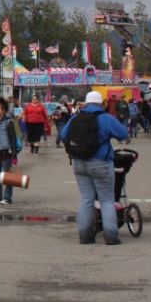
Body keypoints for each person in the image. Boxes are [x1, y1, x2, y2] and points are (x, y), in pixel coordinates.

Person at [60, 91, 130, 245]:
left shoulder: (76, 117)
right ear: (101, 104)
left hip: (78, 163)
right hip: (100, 163)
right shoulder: (105, 118)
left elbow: (63, 135)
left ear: (85, 103)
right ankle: (111, 236)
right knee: (107, 200)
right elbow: (123, 134)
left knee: (86, 199)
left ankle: (85, 236)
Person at [0, 97, 19, 205]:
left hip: (6, 153)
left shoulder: (8, 122)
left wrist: (14, 157)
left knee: (7, 177)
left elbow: (13, 139)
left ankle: (7, 197)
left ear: (3, 110)